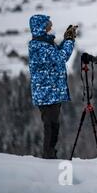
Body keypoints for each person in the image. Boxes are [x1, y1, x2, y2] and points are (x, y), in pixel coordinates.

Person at [28, 15, 77, 159]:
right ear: (41, 28)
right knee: (50, 126)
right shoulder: (40, 47)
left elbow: (57, 54)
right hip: (47, 94)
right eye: (48, 25)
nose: (51, 27)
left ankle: (50, 154)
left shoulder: (44, 44)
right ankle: (48, 156)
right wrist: (69, 40)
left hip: (51, 93)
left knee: (53, 125)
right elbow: (61, 57)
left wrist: (66, 40)